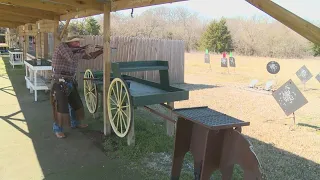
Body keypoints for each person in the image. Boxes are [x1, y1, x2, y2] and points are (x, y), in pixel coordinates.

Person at [50, 33, 103, 138]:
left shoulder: (76, 50)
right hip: (59, 81)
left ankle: (75, 123)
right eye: (76, 41)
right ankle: (58, 129)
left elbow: (89, 57)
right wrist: (83, 49)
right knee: (60, 107)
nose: (78, 43)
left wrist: (101, 51)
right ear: (69, 42)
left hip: (70, 80)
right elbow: (71, 58)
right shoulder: (62, 47)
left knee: (76, 104)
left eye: (79, 41)